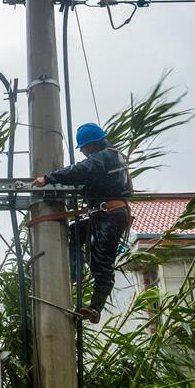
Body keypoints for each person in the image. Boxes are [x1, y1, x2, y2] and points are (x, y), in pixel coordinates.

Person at [32, 122, 132, 323]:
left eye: (84, 148)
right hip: (105, 214)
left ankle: (95, 308)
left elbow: (81, 170)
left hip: (111, 215)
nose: (84, 152)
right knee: (76, 231)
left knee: (102, 263)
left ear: (93, 144)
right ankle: (74, 273)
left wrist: (49, 177)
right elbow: (87, 176)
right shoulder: (111, 158)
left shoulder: (104, 157)